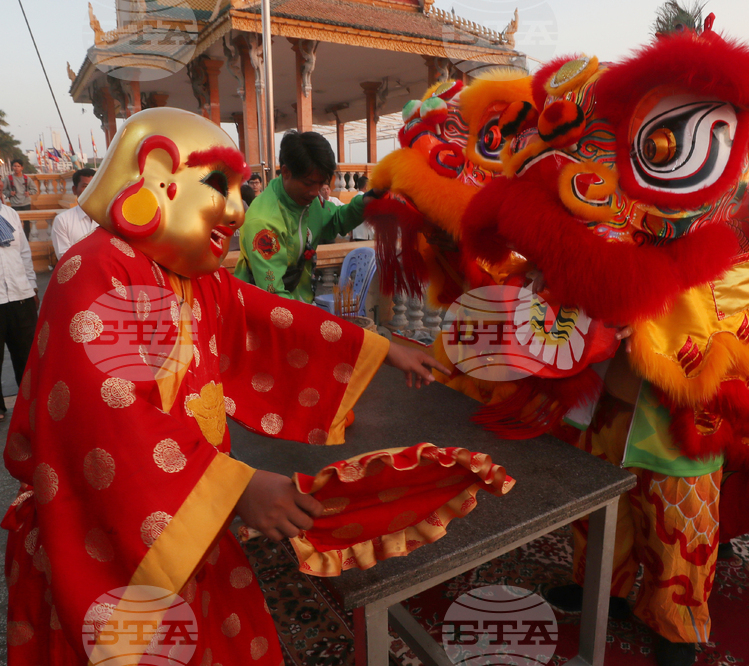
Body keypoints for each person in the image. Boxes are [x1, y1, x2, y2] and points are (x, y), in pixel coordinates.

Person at [2, 107, 447, 666]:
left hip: (187, 516)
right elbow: (106, 418)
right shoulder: (94, 271)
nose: (237, 210)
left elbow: (277, 319)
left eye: (239, 189)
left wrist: (381, 349)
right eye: (219, 184)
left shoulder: (194, 278)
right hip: (109, 540)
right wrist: (234, 489)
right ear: (156, 175)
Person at [235, 131, 371, 301]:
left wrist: (365, 202)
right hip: (264, 311)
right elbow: (274, 296)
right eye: (308, 183)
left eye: (322, 183)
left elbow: (335, 221)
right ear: (285, 172)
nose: (315, 192)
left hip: (301, 301)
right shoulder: (263, 222)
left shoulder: (309, 201)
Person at [0, 201, 37, 423]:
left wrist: (32, 285)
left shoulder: (10, 213)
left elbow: (24, 252)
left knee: (27, 356)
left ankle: (29, 403)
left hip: (20, 295)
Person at [50, 168, 97, 260]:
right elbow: (64, 257)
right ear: (74, 190)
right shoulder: (63, 220)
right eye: (85, 186)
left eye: (94, 185)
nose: (91, 190)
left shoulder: (108, 218)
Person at [3, 160, 38, 236]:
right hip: (15, 204)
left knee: (27, 223)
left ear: (22, 168)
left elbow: (35, 189)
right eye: (15, 166)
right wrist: (9, 193)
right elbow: (2, 188)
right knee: (16, 223)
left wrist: (29, 192)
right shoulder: (8, 179)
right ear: (12, 167)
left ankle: (27, 238)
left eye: (18, 166)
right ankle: (18, 238)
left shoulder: (26, 178)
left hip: (26, 203)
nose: (16, 168)